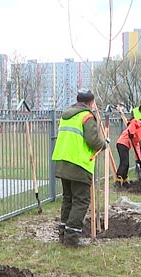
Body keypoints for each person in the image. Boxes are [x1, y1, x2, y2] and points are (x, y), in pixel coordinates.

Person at [52, 89, 108, 247]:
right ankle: (71, 238)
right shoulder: (86, 116)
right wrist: (104, 144)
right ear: (91, 102)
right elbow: (94, 141)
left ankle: (63, 234)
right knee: (81, 201)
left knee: (68, 199)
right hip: (79, 164)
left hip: (63, 162)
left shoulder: (67, 115)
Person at [115, 117, 141, 187]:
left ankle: (125, 181)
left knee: (126, 164)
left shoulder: (140, 132)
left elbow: (136, 144)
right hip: (122, 143)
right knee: (124, 162)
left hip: (126, 145)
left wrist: (138, 159)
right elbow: (133, 122)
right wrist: (132, 133)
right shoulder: (139, 123)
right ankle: (118, 181)